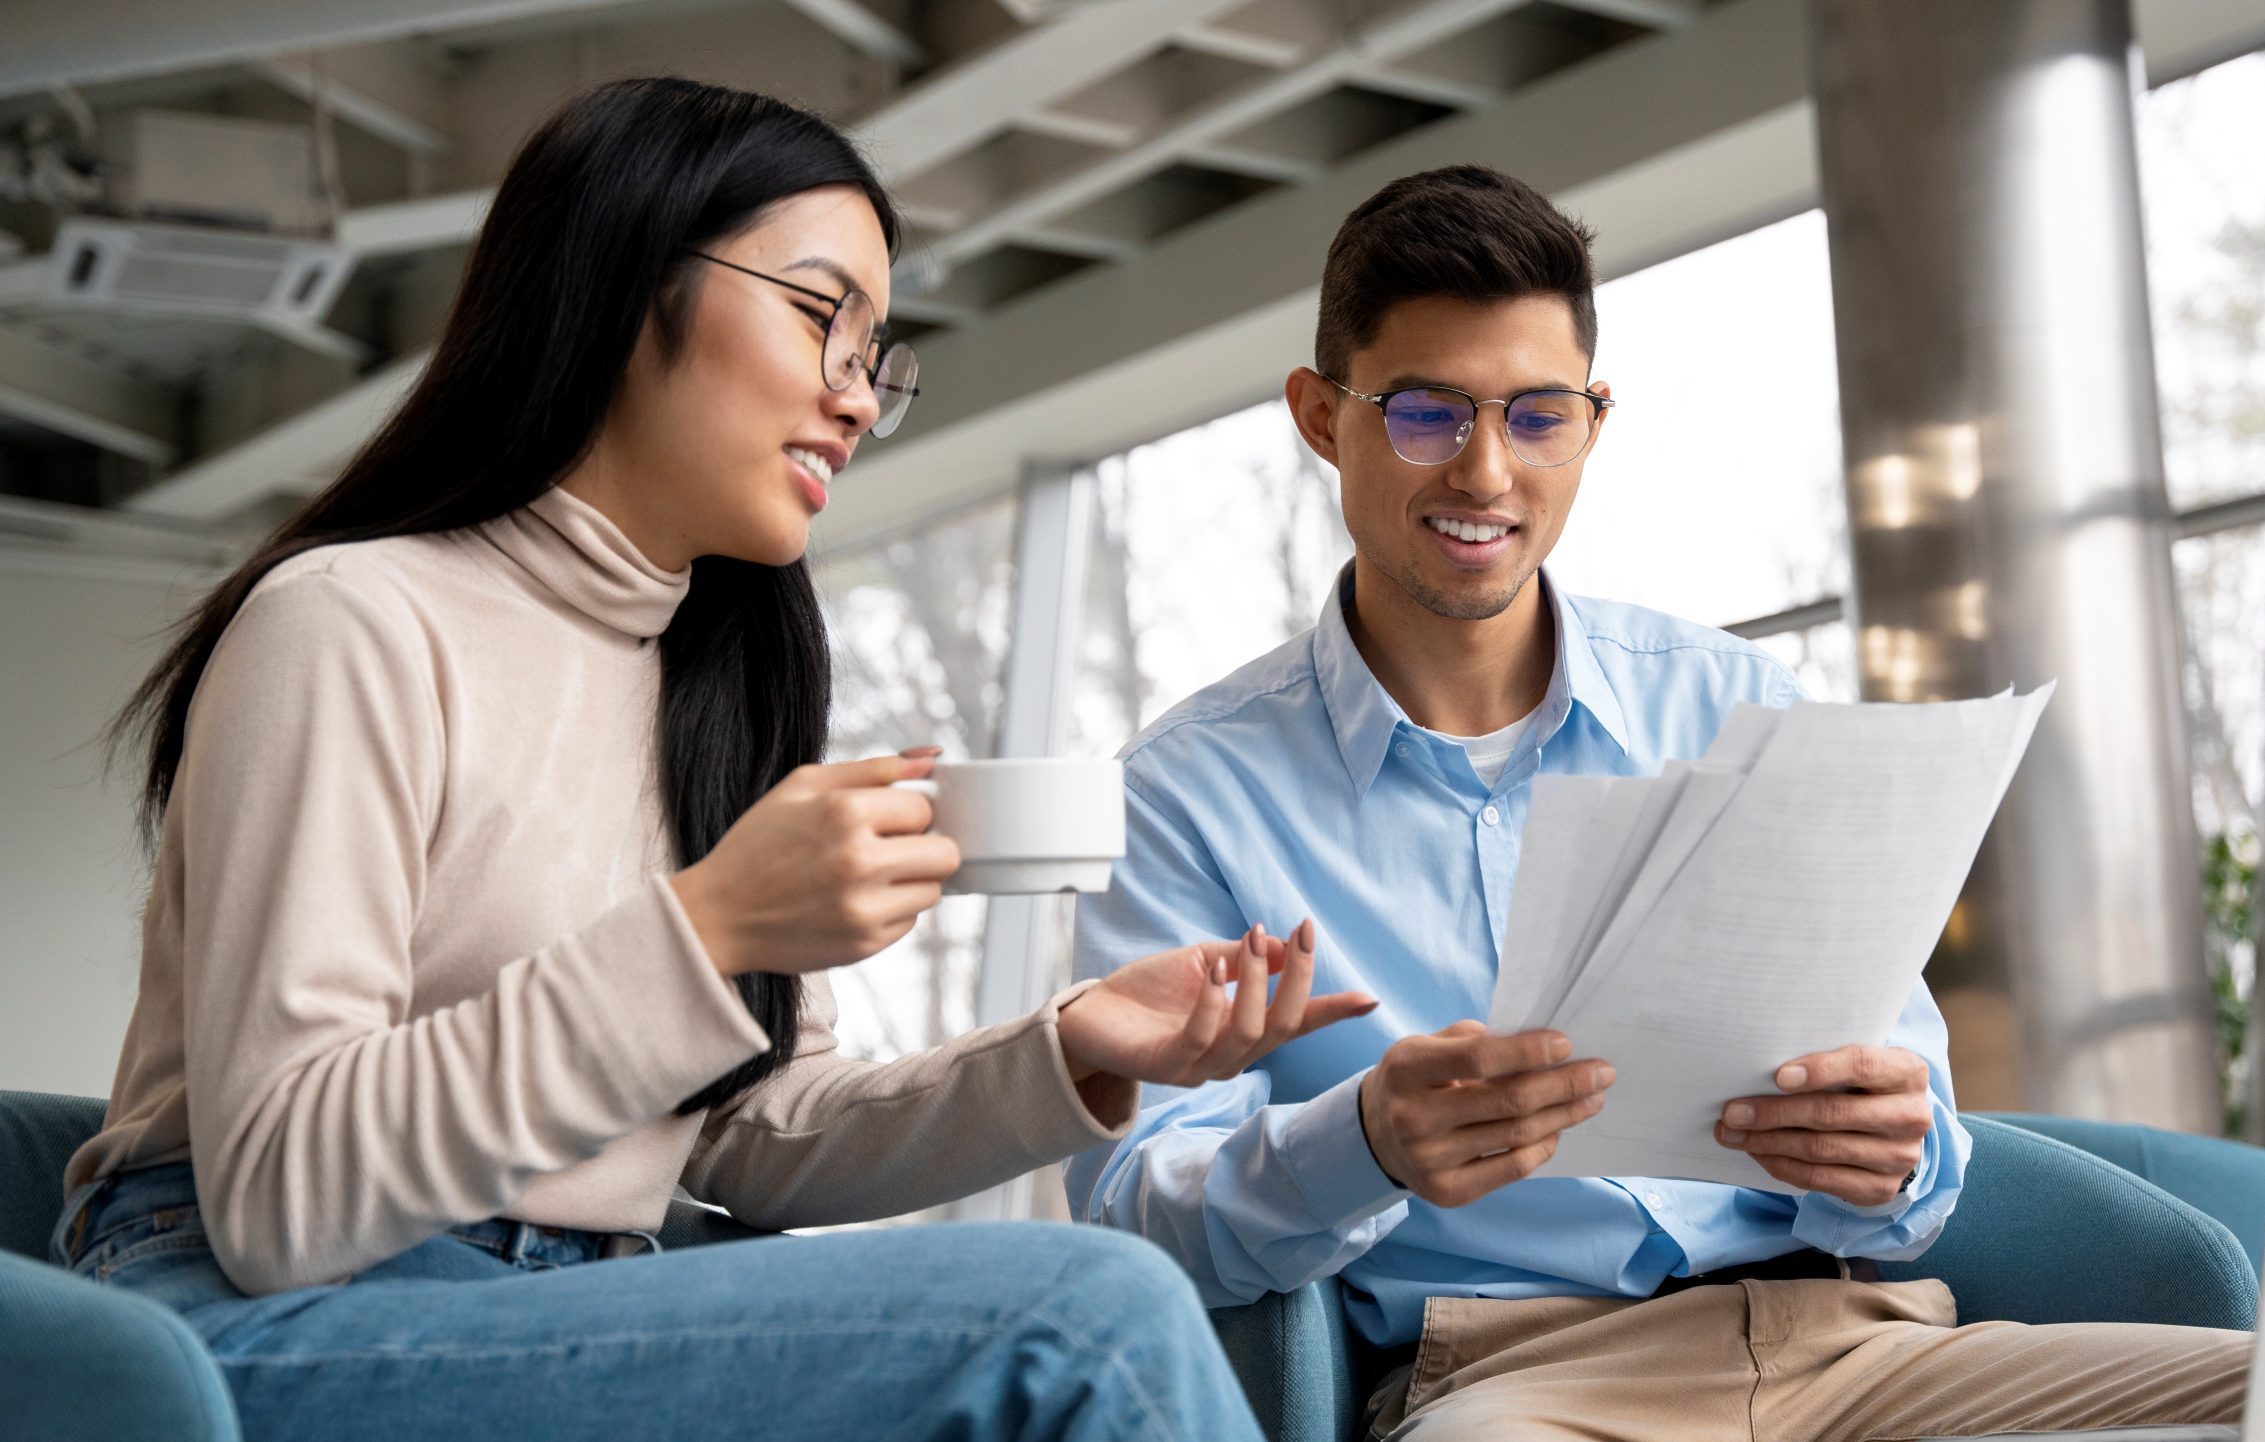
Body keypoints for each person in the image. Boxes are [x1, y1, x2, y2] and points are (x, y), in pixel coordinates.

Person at [52, 77, 1375, 1442]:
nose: (855, 398)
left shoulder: (716, 686)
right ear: (630, 278)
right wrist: (715, 921)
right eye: (819, 319)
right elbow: (284, 1192)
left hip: (563, 1307)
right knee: (1083, 1318)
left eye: (876, 356)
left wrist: (1063, 1051)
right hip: (254, 1328)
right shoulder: (349, 621)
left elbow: (746, 1132)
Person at [1067, 164, 2248, 1441]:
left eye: (1536, 415)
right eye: (1424, 412)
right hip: (1511, 1380)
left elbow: (1916, 1142)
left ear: (1592, 419)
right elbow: (1135, 1199)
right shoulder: (1187, 794)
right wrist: (1359, 1140)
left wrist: (1891, 1153)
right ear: (1318, 415)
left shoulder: (1738, 700)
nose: (1484, 471)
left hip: (1854, 1345)